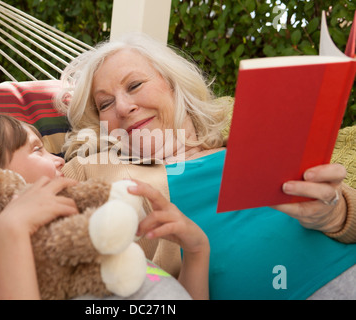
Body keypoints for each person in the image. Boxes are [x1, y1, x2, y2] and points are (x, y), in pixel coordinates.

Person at [54, 33, 356, 300]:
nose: (122, 107)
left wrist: (336, 213)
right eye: (105, 104)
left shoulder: (252, 147)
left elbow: (341, 210)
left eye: (134, 85)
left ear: (174, 84)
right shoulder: (92, 169)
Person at [0, 114, 202, 299]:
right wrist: (12, 230)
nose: (60, 159)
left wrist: (197, 253)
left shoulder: (85, 230)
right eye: (36, 149)